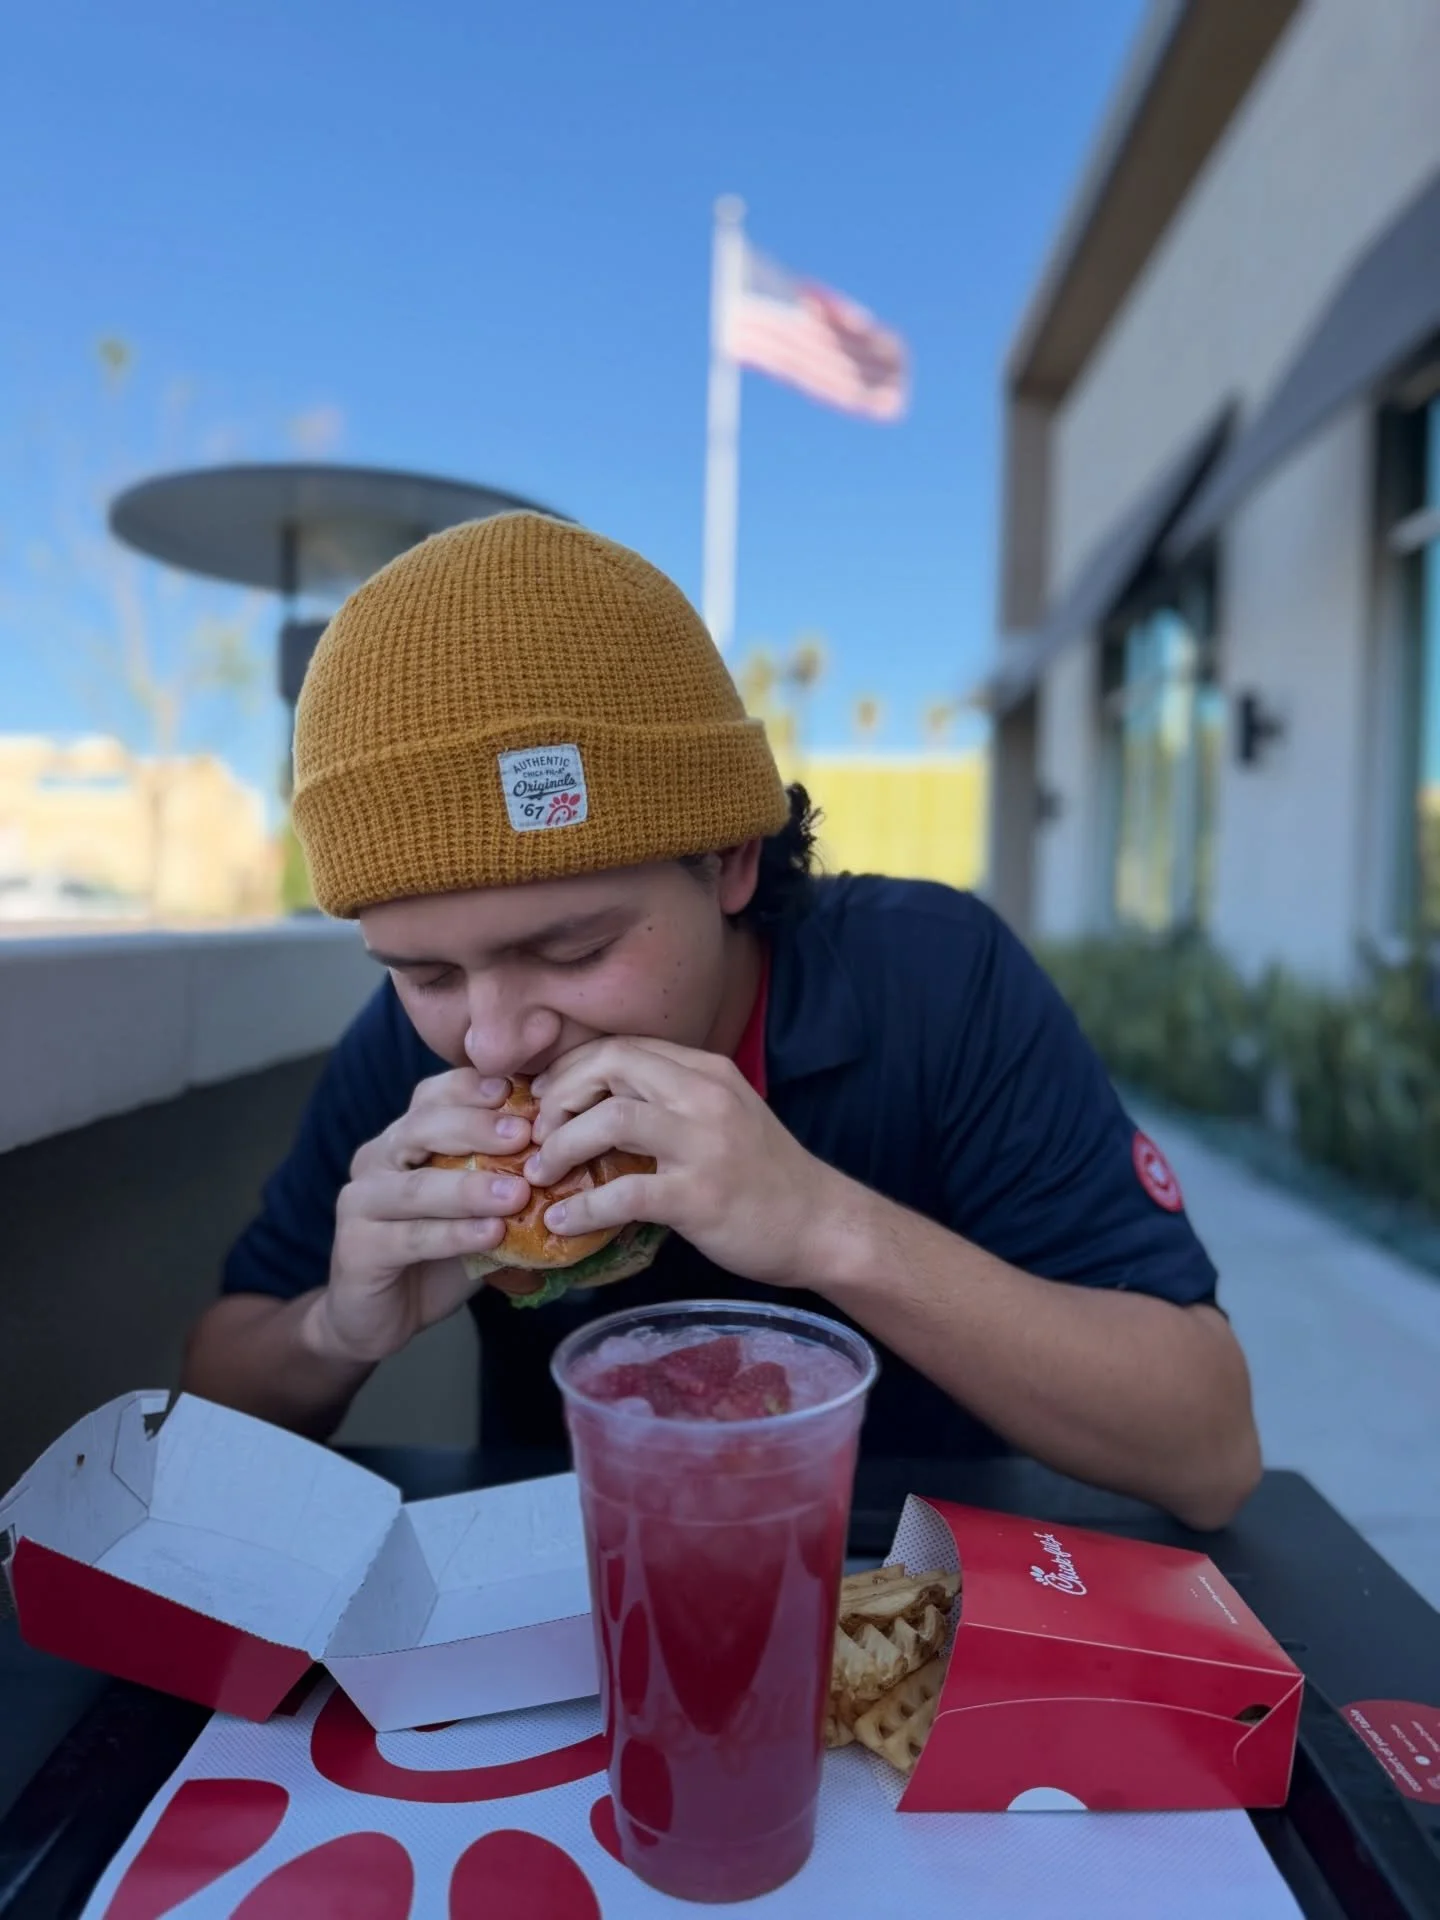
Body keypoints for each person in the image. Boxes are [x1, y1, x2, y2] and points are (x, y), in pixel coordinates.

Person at [182, 513, 1260, 1529]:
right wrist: (336, 1330)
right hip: (577, 1589)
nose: (496, 1039)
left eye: (572, 951)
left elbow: (1209, 1448)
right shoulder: (417, 1051)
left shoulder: (934, 980)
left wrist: (828, 1226)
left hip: (913, 1578)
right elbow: (209, 1407)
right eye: (426, 973)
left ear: (732, 859)